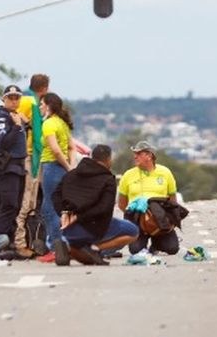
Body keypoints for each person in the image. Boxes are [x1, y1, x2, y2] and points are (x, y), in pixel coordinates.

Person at [52, 144, 138, 265]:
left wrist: (64, 213)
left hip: (68, 229)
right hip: (94, 228)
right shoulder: (108, 179)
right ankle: (94, 248)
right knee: (132, 231)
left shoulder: (70, 175)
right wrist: (80, 217)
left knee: (89, 259)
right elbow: (104, 208)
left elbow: (55, 195)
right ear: (108, 159)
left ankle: (70, 249)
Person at [117, 141, 180, 255]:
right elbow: (122, 203)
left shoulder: (165, 172)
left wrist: (166, 219)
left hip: (160, 220)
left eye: (139, 153)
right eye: (134, 153)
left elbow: (172, 200)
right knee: (136, 250)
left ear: (149, 155)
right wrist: (136, 216)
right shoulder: (128, 175)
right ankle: (143, 238)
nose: (135, 156)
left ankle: (156, 243)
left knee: (172, 249)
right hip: (137, 220)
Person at [13, 74, 50, 258]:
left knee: (26, 201)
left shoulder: (22, 99)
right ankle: (21, 243)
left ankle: (25, 241)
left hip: (18, 157)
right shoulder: (32, 102)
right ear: (44, 89)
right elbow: (37, 135)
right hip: (29, 157)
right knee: (27, 202)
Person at [37, 92, 75, 265]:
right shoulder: (63, 123)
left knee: (50, 209)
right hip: (60, 168)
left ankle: (55, 246)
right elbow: (71, 148)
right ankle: (58, 243)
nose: (40, 107)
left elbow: (55, 150)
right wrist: (70, 166)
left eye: (42, 104)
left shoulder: (49, 124)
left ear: (49, 106)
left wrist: (67, 167)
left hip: (52, 167)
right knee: (53, 207)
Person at [0, 85, 27, 245]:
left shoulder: (16, 116)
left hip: (18, 166)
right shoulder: (1, 117)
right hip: (7, 166)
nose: (14, 101)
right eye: (10, 98)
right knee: (8, 204)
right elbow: (4, 142)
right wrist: (17, 126)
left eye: (17, 97)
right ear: (3, 99)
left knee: (15, 207)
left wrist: (26, 124)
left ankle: (10, 242)